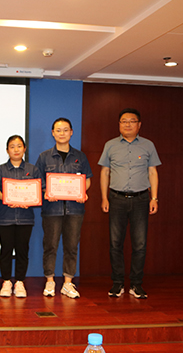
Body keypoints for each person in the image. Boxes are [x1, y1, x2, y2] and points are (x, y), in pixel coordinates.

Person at [99, 108, 160, 299]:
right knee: (115, 243)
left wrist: (154, 198)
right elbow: (105, 172)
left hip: (141, 199)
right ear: (119, 124)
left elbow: (152, 172)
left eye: (132, 121)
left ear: (139, 125)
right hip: (116, 199)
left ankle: (136, 284)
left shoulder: (148, 145)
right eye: (124, 121)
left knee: (140, 244)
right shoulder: (110, 145)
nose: (127, 124)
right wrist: (104, 198)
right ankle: (118, 283)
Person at [36, 118, 93, 299]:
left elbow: (87, 179)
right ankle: (50, 281)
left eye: (65, 130)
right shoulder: (44, 157)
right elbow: (38, 181)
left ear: (71, 132)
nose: (62, 133)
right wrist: (46, 191)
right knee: (50, 245)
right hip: (52, 209)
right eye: (58, 130)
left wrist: (82, 192)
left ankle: (68, 283)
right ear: (53, 133)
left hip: (75, 209)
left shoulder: (80, 156)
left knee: (71, 246)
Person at [0, 135, 41, 298]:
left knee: (22, 250)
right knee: (5, 250)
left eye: (19, 146)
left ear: (24, 149)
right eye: (12, 146)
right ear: (7, 150)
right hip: (5, 217)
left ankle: (20, 282)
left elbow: (39, 190)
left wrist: (31, 200)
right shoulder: (0, 170)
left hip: (25, 217)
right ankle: (6, 281)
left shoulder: (33, 170)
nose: (16, 149)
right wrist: (6, 198)